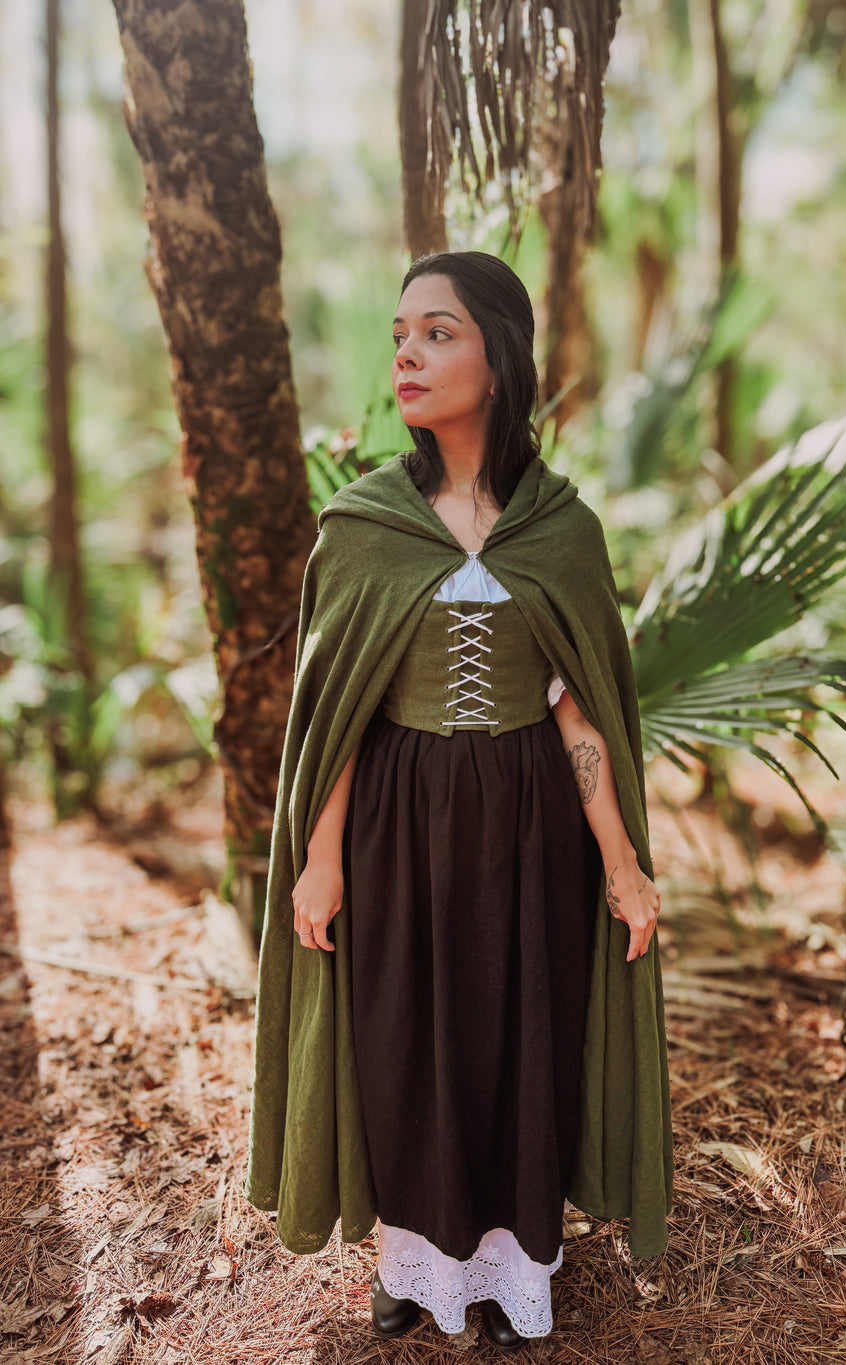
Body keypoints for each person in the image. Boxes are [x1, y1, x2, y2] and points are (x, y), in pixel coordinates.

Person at [246, 251, 673, 1349]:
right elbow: (338, 717)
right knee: (404, 1042)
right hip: (400, 824)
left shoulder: (560, 530)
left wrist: (622, 863)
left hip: (532, 829)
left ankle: (516, 1263)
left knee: (518, 1038)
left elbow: (579, 712)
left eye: (438, 332)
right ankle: (412, 1262)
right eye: (400, 333)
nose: (407, 352)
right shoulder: (363, 527)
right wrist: (322, 856)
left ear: (500, 355)